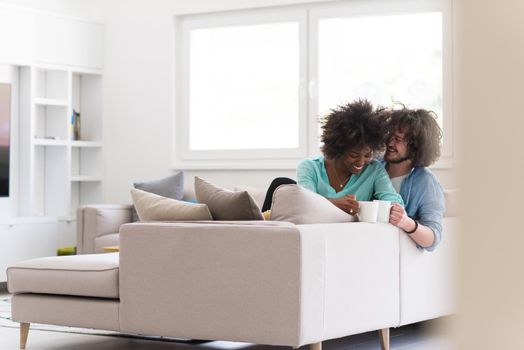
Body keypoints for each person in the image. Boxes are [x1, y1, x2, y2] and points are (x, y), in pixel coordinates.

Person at [261, 99, 403, 214]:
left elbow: (394, 202)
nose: (361, 161)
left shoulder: (374, 170)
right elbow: (305, 203)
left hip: (344, 236)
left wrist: (371, 207)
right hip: (311, 230)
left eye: (368, 155)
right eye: (354, 155)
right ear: (338, 149)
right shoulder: (310, 167)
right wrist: (334, 203)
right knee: (281, 183)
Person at [384, 106, 445, 251]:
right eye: (390, 136)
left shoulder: (426, 182)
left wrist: (406, 223)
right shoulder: (374, 167)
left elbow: (433, 238)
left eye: (398, 139)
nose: (390, 143)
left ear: (415, 147)